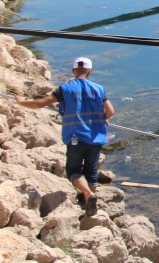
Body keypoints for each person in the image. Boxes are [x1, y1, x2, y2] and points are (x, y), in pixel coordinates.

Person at [16, 57, 114, 216]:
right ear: (90, 71)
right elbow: (110, 111)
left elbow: (41, 103)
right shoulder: (99, 89)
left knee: (73, 170)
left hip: (75, 138)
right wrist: (103, 117)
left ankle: (89, 195)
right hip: (96, 137)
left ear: (74, 71)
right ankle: (88, 206)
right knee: (91, 171)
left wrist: (21, 102)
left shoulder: (65, 89)